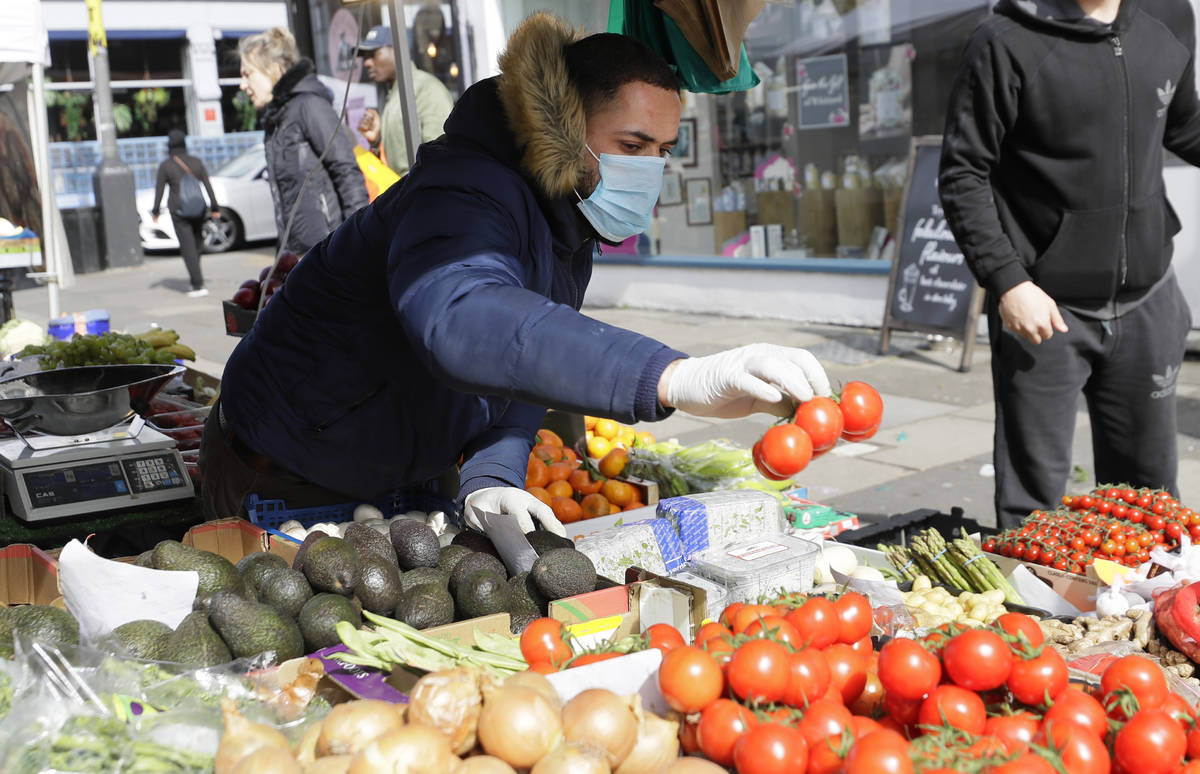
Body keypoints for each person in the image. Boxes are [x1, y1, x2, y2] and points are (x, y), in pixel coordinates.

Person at [200, 14, 831, 535]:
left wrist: (492, 474)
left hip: (385, 474)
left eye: (663, 151)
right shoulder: (461, 188)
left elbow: (520, 368)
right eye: (632, 145)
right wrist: (673, 375)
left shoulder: (568, 221)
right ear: (565, 126)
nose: (650, 169)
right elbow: (462, 314)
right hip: (279, 470)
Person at [938, 0, 1200, 529]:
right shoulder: (1004, 39)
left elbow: (1182, 122)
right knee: (1034, 504)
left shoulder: (1169, 19)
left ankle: (1146, 611)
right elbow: (963, 173)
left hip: (1149, 302)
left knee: (1151, 503)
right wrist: (1008, 282)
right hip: (1043, 307)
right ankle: (1034, 610)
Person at [237, 28, 369, 255]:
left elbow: (347, 173)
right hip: (301, 257)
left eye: (248, 74)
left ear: (274, 69)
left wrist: (356, 246)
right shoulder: (277, 119)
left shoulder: (309, 105)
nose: (242, 84)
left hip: (331, 254)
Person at [355, 24, 456, 177]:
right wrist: (376, 143)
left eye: (373, 54)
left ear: (397, 50)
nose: (367, 63)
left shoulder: (425, 88)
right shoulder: (396, 94)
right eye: (365, 57)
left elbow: (442, 158)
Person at [150, 129, 219, 297]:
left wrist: (156, 211)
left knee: (188, 248)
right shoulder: (196, 162)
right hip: (199, 209)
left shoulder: (166, 165)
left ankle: (198, 285)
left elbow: (159, 190)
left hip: (179, 211)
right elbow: (208, 186)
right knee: (196, 246)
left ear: (169, 145)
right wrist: (215, 208)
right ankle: (195, 279)